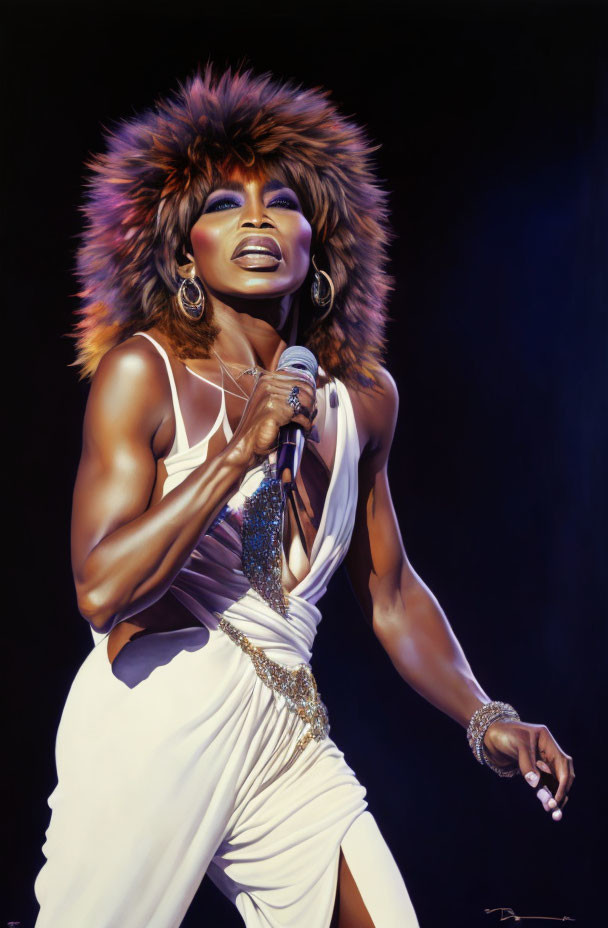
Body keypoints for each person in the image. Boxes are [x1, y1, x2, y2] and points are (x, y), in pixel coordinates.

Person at [34, 64, 575, 928]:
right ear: (184, 252)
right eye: (220, 204)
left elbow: (391, 594)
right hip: (154, 721)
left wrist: (487, 717)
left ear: (315, 245)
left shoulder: (362, 405)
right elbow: (101, 590)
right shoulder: (145, 375)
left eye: (280, 201)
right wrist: (240, 453)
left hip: (287, 725)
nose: (254, 216)